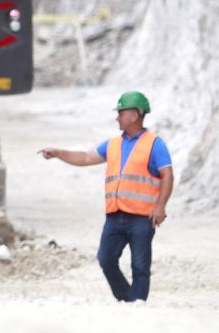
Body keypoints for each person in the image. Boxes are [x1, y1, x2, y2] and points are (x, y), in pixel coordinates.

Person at [39, 91, 174, 302]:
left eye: (121, 113)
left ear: (135, 115)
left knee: (140, 266)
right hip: (115, 215)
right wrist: (59, 153)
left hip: (142, 218)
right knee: (106, 259)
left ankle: (137, 307)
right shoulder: (113, 144)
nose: (117, 117)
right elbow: (85, 157)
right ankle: (128, 299)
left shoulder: (154, 144)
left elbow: (167, 175)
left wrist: (160, 206)